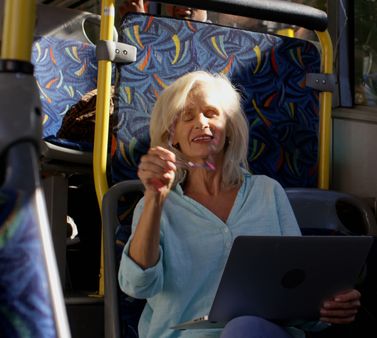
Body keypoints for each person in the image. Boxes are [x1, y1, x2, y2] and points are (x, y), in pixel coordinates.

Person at [118, 71, 362, 338]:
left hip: (261, 333)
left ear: (229, 128)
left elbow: (296, 293)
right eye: (187, 116)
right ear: (172, 135)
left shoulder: (267, 192)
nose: (201, 122)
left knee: (245, 328)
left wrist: (327, 307)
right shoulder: (155, 205)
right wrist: (155, 198)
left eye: (211, 113)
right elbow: (137, 286)